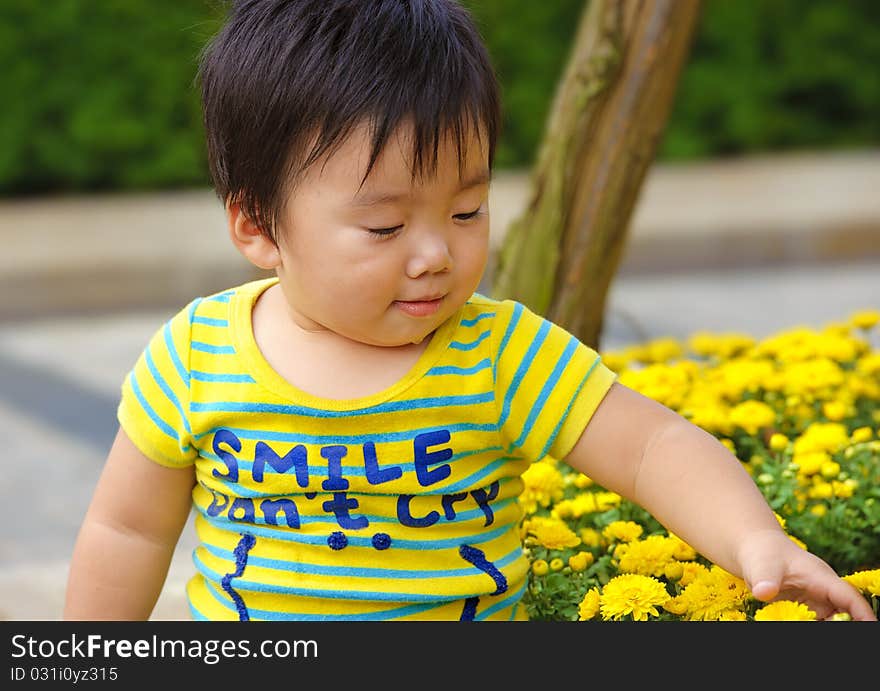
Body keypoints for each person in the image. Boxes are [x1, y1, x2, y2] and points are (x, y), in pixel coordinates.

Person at [64, 0, 874, 622]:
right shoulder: (195, 356)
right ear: (257, 225)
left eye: (466, 210)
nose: (435, 254)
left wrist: (758, 539)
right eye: (384, 226)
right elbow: (127, 532)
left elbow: (656, 446)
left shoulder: (498, 354)